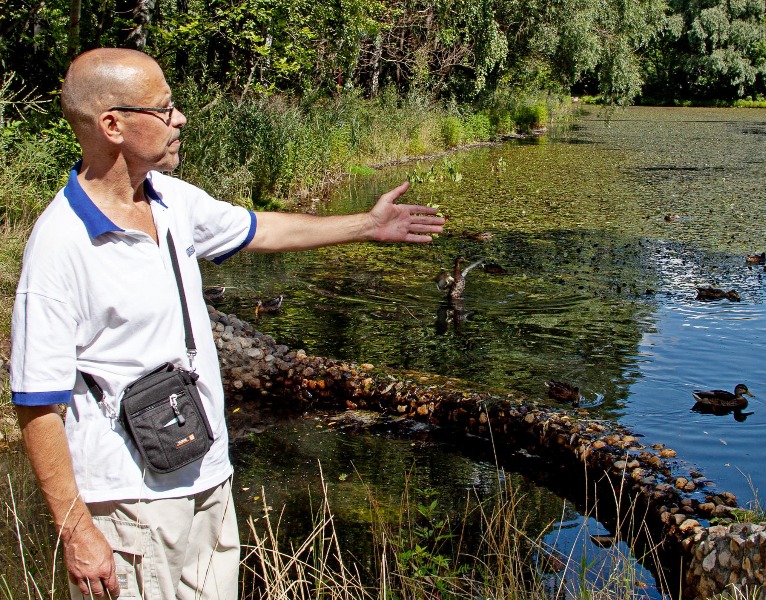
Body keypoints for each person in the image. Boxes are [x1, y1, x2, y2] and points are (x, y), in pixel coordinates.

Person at [10, 47, 445, 600]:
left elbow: (263, 229)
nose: (179, 119)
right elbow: (36, 403)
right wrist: (76, 531)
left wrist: (367, 224)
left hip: (208, 474)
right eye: (164, 109)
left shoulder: (170, 199)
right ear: (112, 125)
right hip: (128, 503)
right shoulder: (60, 246)